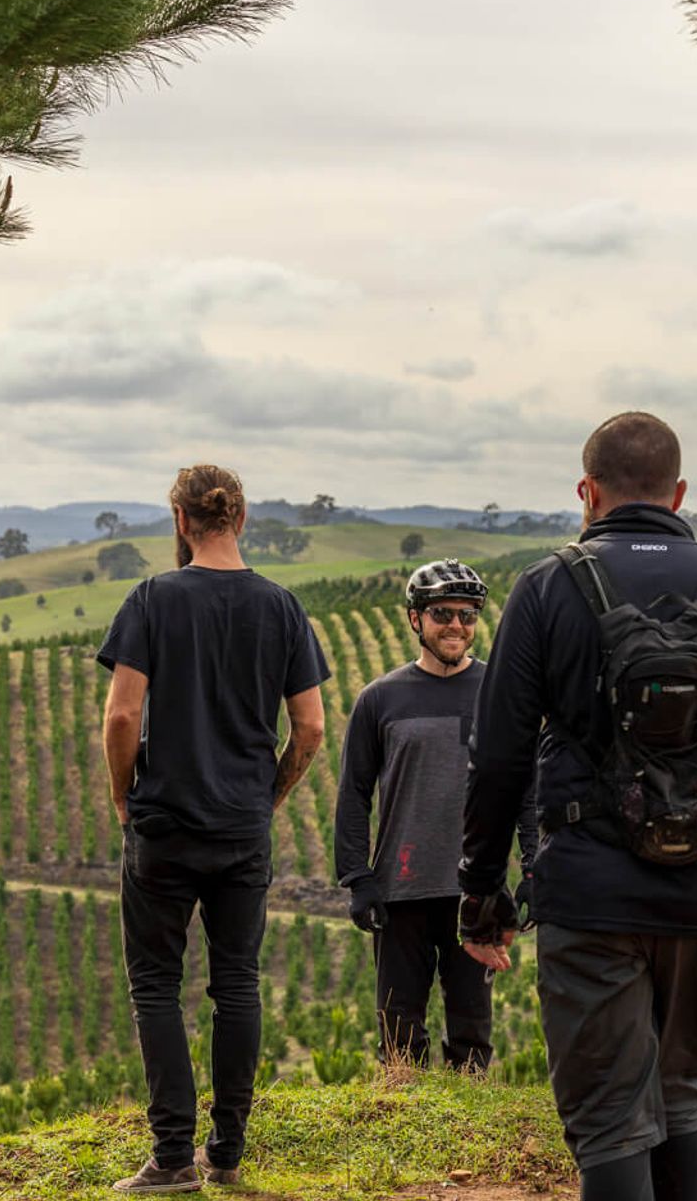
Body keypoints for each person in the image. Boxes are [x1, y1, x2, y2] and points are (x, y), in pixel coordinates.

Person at [458, 412, 697, 1201]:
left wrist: (481, 886)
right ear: (678, 493)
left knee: (609, 1119)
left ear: (586, 492)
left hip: (587, 893)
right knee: (679, 1095)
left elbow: (498, 757)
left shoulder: (546, 588)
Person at [98, 466, 330, 1194]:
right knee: (237, 985)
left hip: (165, 827)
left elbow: (122, 714)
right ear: (242, 518)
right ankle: (226, 1153)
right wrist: (269, 797)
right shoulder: (282, 607)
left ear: (180, 521)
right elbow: (311, 727)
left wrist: (121, 795)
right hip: (241, 830)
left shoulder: (153, 600)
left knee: (156, 987)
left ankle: (172, 1158)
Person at [333, 559, 537, 1070]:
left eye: (468, 615)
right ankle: (400, 1114)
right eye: (442, 613)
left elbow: (527, 788)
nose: (456, 626)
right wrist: (357, 877)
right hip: (400, 888)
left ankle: (470, 1117)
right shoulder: (379, 699)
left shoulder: (498, 693)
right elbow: (353, 794)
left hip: (478, 890)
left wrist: (535, 867)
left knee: (473, 1033)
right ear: (414, 618)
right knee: (399, 1035)